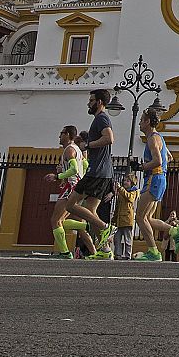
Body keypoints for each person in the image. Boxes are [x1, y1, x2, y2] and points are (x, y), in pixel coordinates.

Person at [64, 89, 116, 258]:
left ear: (99, 102)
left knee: (70, 205)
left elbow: (109, 138)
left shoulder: (101, 118)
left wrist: (88, 145)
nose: (89, 103)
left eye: (91, 100)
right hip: (103, 172)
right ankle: (105, 250)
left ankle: (105, 227)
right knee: (90, 211)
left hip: (96, 172)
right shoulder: (100, 118)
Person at [133, 106, 179, 261]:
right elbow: (169, 157)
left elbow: (159, 160)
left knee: (140, 217)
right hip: (159, 179)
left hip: (153, 180)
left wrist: (141, 167)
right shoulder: (159, 137)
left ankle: (153, 252)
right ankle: (175, 231)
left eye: (141, 120)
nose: (140, 124)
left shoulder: (152, 138)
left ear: (148, 121)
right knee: (147, 218)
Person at [45, 124, 86, 258]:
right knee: (59, 221)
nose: (59, 136)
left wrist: (58, 176)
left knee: (55, 221)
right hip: (75, 186)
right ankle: (87, 226)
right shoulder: (76, 150)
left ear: (68, 135)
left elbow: (74, 169)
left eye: (62, 133)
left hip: (71, 187)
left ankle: (65, 252)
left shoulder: (69, 150)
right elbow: (84, 165)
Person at [111, 172, 139, 260]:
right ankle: (118, 254)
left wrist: (120, 189)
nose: (125, 182)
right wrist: (114, 218)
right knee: (117, 239)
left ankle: (128, 255)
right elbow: (117, 206)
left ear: (132, 183)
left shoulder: (133, 191)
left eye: (127, 181)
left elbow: (130, 198)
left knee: (128, 239)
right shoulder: (121, 193)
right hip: (119, 220)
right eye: (124, 181)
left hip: (127, 219)